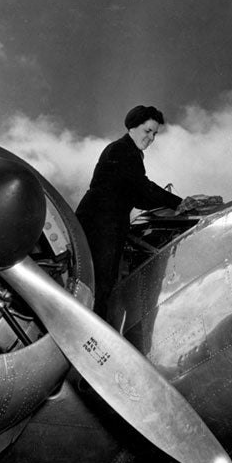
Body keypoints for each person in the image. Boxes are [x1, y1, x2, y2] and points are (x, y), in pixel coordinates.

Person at [76, 105, 182, 319]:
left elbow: (139, 196)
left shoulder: (129, 152)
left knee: (102, 284)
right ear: (132, 127)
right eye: (147, 131)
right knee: (100, 285)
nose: (151, 138)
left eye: (154, 133)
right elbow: (142, 188)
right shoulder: (123, 150)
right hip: (101, 224)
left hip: (107, 223)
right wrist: (180, 203)